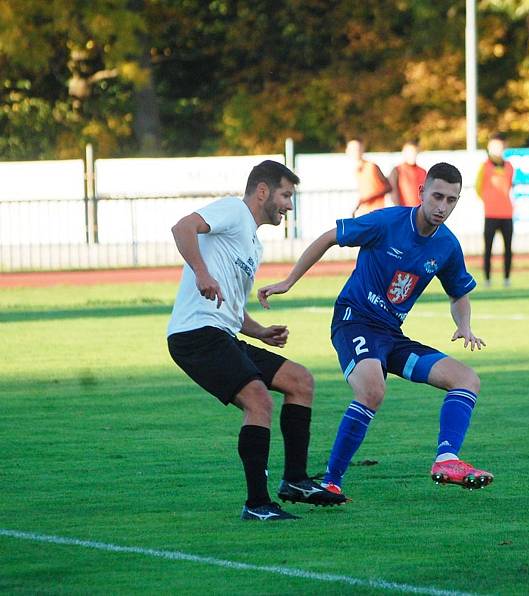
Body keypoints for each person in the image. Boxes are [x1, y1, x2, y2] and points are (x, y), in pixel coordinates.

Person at [258, 162, 494, 496]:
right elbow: (329, 237)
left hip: (391, 336)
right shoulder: (388, 221)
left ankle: (446, 459)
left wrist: (464, 324)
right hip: (353, 320)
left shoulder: (447, 246)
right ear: (421, 192)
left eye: (451, 200)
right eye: (437, 196)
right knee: (372, 390)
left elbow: (459, 294)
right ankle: (331, 482)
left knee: (467, 379)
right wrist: (289, 280)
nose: (442, 207)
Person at [166, 159, 347, 522]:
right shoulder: (234, 210)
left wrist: (259, 331)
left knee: (300, 381)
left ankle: (295, 481)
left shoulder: (253, 244)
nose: (289, 205)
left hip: (222, 334)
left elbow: (230, 308)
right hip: (194, 335)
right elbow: (182, 226)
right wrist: (201, 273)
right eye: (285, 195)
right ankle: (257, 503)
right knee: (258, 400)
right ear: (262, 191)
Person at [475, 132, 515, 288]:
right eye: (495, 146)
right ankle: (487, 279)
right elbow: (478, 188)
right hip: (491, 214)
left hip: (507, 213)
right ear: (489, 147)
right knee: (488, 248)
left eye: (500, 146)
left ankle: (506, 278)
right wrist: (489, 201)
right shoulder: (484, 167)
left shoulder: (510, 166)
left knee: (508, 248)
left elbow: (509, 185)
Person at [346, 137, 392, 217]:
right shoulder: (356, 170)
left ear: (362, 149)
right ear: (347, 151)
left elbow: (388, 187)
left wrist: (368, 198)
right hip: (364, 212)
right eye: (352, 149)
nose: (355, 152)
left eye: (357, 148)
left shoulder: (371, 166)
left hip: (377, 212)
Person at [388, 139, 427, 207]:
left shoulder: (423, 171)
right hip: (403, 211)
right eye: (410, 152)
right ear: (404, 153)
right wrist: (399, 210)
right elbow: (393, 192)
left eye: (415, 152)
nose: (412, 155)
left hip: (419, 212)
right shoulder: (397, 170)